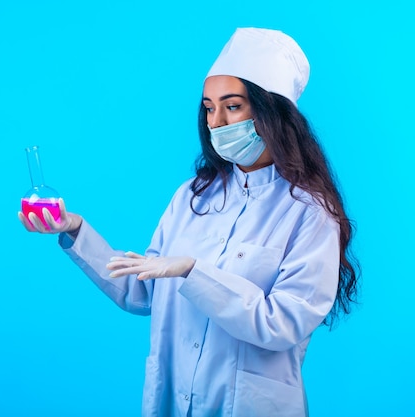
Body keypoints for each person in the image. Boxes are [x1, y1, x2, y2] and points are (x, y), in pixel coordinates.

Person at [18, 27, 359, 417]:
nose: (216, 122)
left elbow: (282, 323)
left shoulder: (310, 214)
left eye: (233, 106)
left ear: (273, 113)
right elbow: (140, 290)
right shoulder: (193, 197)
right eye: (209, 107)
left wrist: (194, 272)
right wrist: (74, 230)